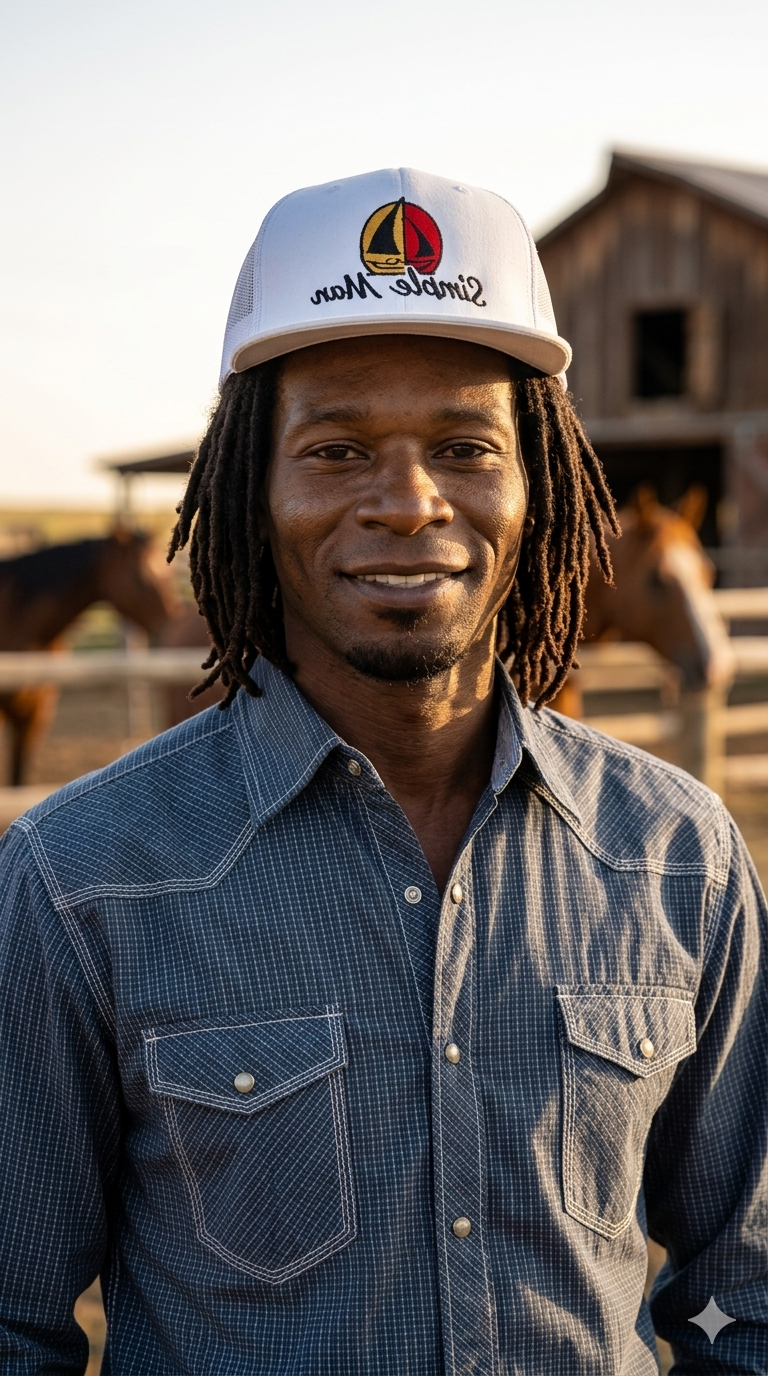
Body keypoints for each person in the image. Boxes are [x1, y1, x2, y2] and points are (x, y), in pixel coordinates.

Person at [0, 169, 765, 1376]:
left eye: (464, 445)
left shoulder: (682, 860)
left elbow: (746, 1292)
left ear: (537, 482)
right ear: (254, 485)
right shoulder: (78, 880)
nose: (408, 502)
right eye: (339, 447)